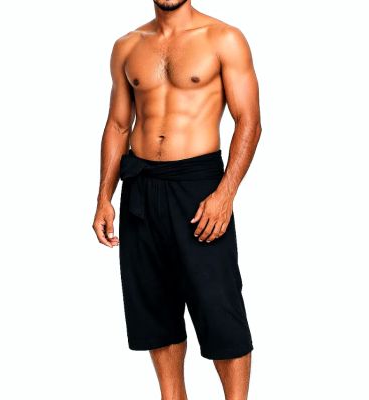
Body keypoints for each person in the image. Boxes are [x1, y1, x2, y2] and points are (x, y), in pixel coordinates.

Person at [92, 1, 262, 398]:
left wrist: (225, 193)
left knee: (218, 306)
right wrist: (104, 196)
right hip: (141, 186)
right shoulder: (128, 45)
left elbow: (249, 120)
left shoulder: (223, 38)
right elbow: (118, 124)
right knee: (154, 307)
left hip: (198, 186)